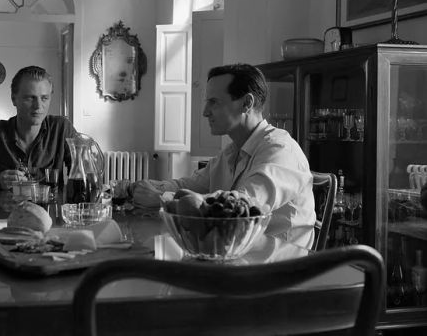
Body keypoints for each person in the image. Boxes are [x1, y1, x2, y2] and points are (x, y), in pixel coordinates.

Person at [131, 63, 316, 249]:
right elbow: (188, 185)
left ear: (246, 103)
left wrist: (162, 198)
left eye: (214, 102)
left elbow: (240, 209)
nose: (205, 112)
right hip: (237, 255)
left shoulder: (281, 150)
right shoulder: (231, 151)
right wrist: (147, 187)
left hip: (278, 267)